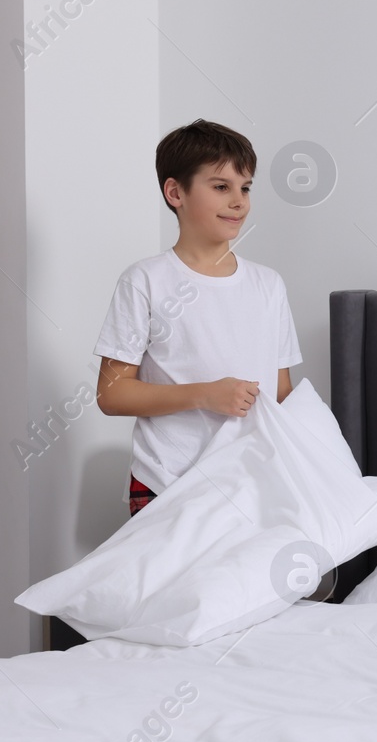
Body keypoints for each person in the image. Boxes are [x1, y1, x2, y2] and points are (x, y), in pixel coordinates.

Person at [93, 119, 302, 519]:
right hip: (166, 482)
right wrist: (206, 394)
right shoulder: (145, 281)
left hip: (251, 484)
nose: (239, 201)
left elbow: (282, 393)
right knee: (171, 584)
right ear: (176, 193)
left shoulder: (268, 285)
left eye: (245, 187)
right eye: (221, 187)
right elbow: (113, 393)